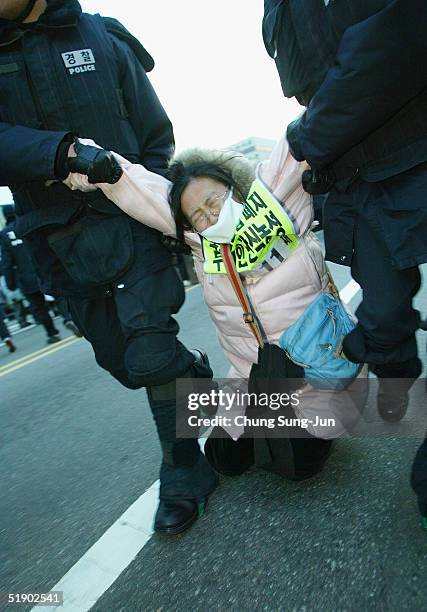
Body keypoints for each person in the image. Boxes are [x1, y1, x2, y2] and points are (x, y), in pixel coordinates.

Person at [0, 0, 217, 535]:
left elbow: (153, 131)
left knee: (149, 353)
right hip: (56, 238)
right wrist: (63, 153)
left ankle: (184, 471)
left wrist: (161, 204)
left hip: (131, 224)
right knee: (121, 360)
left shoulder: (102, 36)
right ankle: (192, 374)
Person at [64, 135, 368, 480]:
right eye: (199, 214)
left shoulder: (282, 203)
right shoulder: (201, 243)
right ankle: (233, 402)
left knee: (299, 465)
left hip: (316, 369)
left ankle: (303, 431)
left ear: (234, 189)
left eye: (215, 200)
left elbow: (305, 136)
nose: (212, 215)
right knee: (224, 460)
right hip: (255, 379)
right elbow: (137, 186)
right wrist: (78, 157)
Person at [262, 0, 427, 523]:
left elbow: (391, 37)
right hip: (356, 171)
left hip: (414, 135)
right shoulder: (273, 9)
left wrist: (309, 137)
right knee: (381, 314)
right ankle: (399, 379)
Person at [0, 204, 61, 344]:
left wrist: (10, 283)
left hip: (26, 279)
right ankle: (68, 318)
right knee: (60, 296)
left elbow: (7, 262)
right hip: (43, 270)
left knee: (39, 307)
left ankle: (52, 333)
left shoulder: (4, 235)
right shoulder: (26, 224)